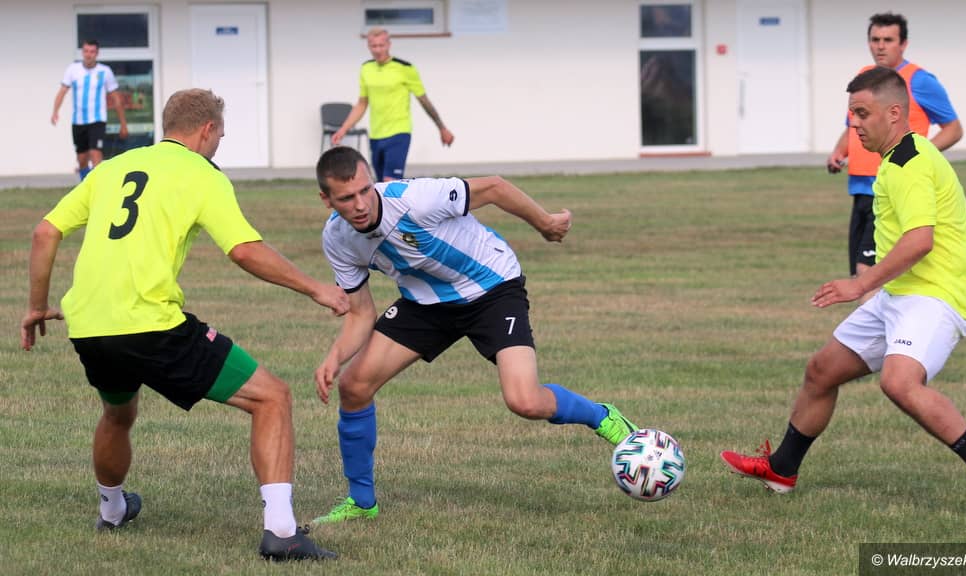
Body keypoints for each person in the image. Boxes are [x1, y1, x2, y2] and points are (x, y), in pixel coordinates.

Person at [22, 88, 346, 561]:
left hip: (89, 325)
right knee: (272, 397)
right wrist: (317, 288)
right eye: (221, 136)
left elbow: (45, 231)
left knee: (118, 413)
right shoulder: (201, 173)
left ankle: (112, 510)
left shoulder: (111, 168)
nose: (218, 145)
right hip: (151, 324)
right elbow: (244, 250)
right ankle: (281, 532)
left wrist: (36, 307)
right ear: (207, 130)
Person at [721, 67, 966, 524]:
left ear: (894, 113)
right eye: (851, 114)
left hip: (938, 296)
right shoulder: (895, 157)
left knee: (899, 383)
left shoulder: (910, 162)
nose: (854, 124)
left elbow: (920, 241)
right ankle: (782, 468)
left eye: (862, 113)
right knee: (821, 371)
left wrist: (860, 284)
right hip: (902, 292)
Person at [310, 146, 638, 523]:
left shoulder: (415, 199)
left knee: (525, 401)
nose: (360, 204)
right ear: (327, 200)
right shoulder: (337, 238)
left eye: (365, 190)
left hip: (491, 287)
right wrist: (336, 357)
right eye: (346, 198)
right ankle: (361, 502)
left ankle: (602, 416)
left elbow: (495, 187)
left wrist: (546, 223)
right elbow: (361, 312)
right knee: (354, 386)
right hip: (426, 303)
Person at [825, 13, 962, 300]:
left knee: (866, 272)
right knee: (860, 272)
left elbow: (954, 128)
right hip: (861, 188)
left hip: (893, 186)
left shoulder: (920, 81)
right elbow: (851, 126)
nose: (880, 46)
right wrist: (839, 150)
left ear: (903, 44)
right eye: (875, 39)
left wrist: (916, 156)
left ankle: (882, 327)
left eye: (888, 40)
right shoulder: (865, 78)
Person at [329, 27, 454, 181]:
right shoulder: (366, 68)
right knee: (380, 186)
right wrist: (343, 129)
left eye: (381, 45)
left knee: (390, 182)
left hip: (399, 132)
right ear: (368, 46)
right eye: (374, 46)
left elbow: (424, 101)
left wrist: (442, 128)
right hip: (376, 135)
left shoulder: (405, 68)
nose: (377, 50)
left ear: (389, 44)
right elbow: (362, 103)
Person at [51, 40, 129, 181]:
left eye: (92, 52)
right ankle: (86, 185)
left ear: (97, 53)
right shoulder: (73, 70)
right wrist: (55, 111)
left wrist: (123, 124)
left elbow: (116, 99)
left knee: (95, 154)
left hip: (97, 120)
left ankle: (97, 187)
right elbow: (62, 91)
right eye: (86, 51)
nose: (88, 54)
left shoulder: (105, 71)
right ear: (82, 52)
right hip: (78, 121)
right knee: (82, 160)